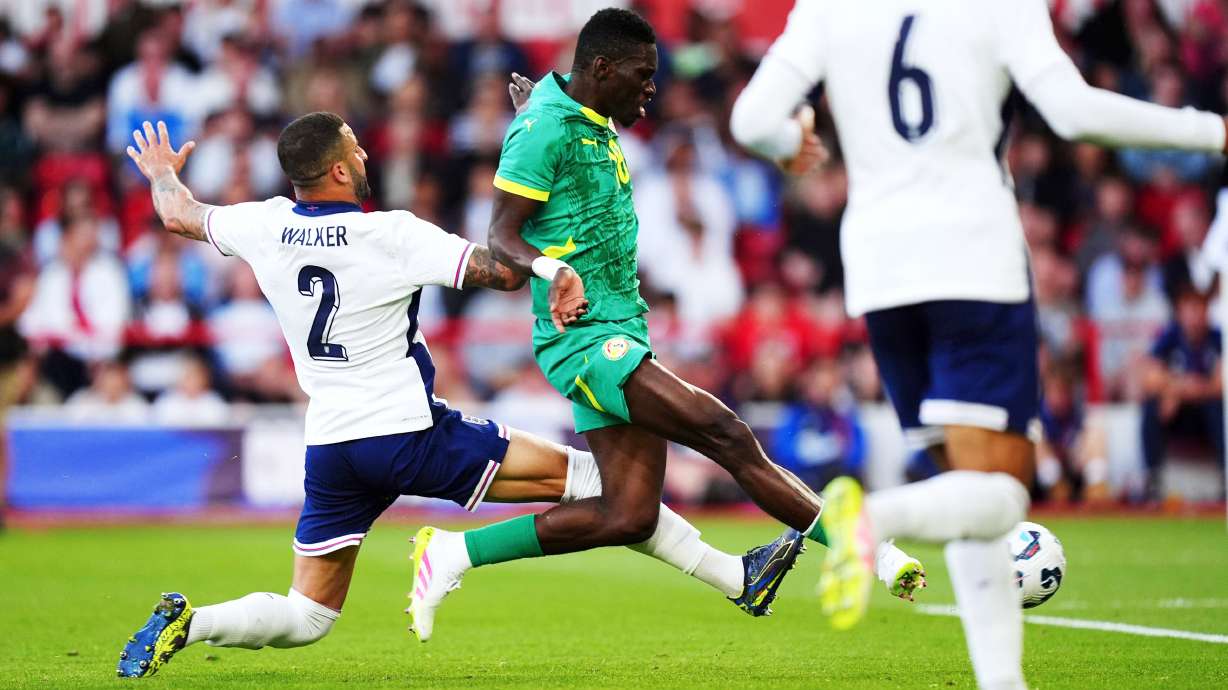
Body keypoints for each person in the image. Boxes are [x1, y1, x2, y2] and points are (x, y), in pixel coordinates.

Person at [115, 114, 805, 678]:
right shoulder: (389, 233)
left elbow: (179, 215)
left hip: (331, 447)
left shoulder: (261, 224)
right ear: (336, 169)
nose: (364, 153)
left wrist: (163, 174)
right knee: (605, 485)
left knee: (309, 616)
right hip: (410, 436)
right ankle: (735, 578)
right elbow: (495, 272)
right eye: (355, 146)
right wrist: (548, 254)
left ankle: (191, 620)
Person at [730, 0, 1228, 687]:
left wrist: (792, 144)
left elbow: (750, 120)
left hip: (879, 271)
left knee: (963, 489)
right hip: (974, 257)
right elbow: (1073, 112)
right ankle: (870, 515)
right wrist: (1212, 131)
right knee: (1001, 495)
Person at [408, 8, 926, 643]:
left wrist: (539, 105)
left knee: (628, 514)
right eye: (642, 75)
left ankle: (453, 554)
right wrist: (552, 271)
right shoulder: (545, 127)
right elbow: (500, 235)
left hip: (620, 327)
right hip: (587, 339)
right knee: (726, 432)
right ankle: (868, 550)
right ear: (602, 68)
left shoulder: (580, 114)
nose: (651, 87)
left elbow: (555, 120)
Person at [1141, 286, 1224, 500]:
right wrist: (1178, 388)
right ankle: (1153, 478)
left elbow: (1221, 383)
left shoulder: (1217, 338)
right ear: (1180, 312)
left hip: (1205, 413)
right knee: (1152, 406)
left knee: (1220, 409)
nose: (1195, 316)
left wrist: (1180, 390)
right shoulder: (1169, 337)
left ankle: (1225, 474)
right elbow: (1150, 378)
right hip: (1177, 414)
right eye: (1190, 308)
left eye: (1200, 308)